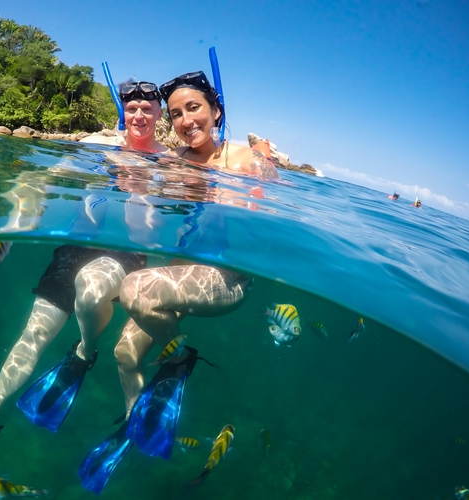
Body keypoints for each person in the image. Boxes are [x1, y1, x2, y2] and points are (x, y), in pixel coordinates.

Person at [0, 81, 168, 482]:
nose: (139, 115)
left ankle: (84, 353)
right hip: (77, 248)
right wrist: (16, 224)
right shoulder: (98, 145)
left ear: (160, 113)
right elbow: (41, 178)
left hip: (124, 255)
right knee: (34, 333)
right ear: (123, 110)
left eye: (147, 108)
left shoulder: (170, 159)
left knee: (91, 289)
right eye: (132, 107)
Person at [80, 72, 276, 493]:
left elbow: (272, 192)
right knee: (123, 353)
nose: (186, 120)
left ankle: (180, 357)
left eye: (194, 108)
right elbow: (139, 171)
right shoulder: (176, 161)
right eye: (175, 114)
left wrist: (261, 169)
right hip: (181, 275)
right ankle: (135, 424)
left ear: (216, 111)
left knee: (136, 288)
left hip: (226, 279)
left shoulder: (241, 160)